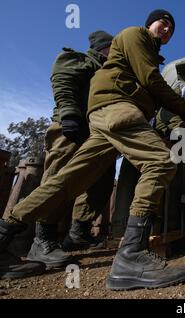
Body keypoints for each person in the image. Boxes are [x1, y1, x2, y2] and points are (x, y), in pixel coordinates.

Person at [0, 9, 185, 290]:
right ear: (149, 23)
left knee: (68, 181)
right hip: (117, 107)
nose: (166, 29)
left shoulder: (146, 49)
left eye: (171, 28)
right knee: (161, 161)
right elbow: (152, 80)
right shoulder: (134, 34)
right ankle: (131, 256)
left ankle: (3, 235)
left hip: (108, 115)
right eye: (162, 22)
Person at [30, 31, 116, 271]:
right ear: (103, 48)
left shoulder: (111, 72)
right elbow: (63, 80)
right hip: (73, 127)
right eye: (113, 47)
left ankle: (78, 232)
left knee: (101, 183)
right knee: (59, 178)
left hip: (98, 133)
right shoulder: (80, 60)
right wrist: (69, 114)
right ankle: (42, 239)